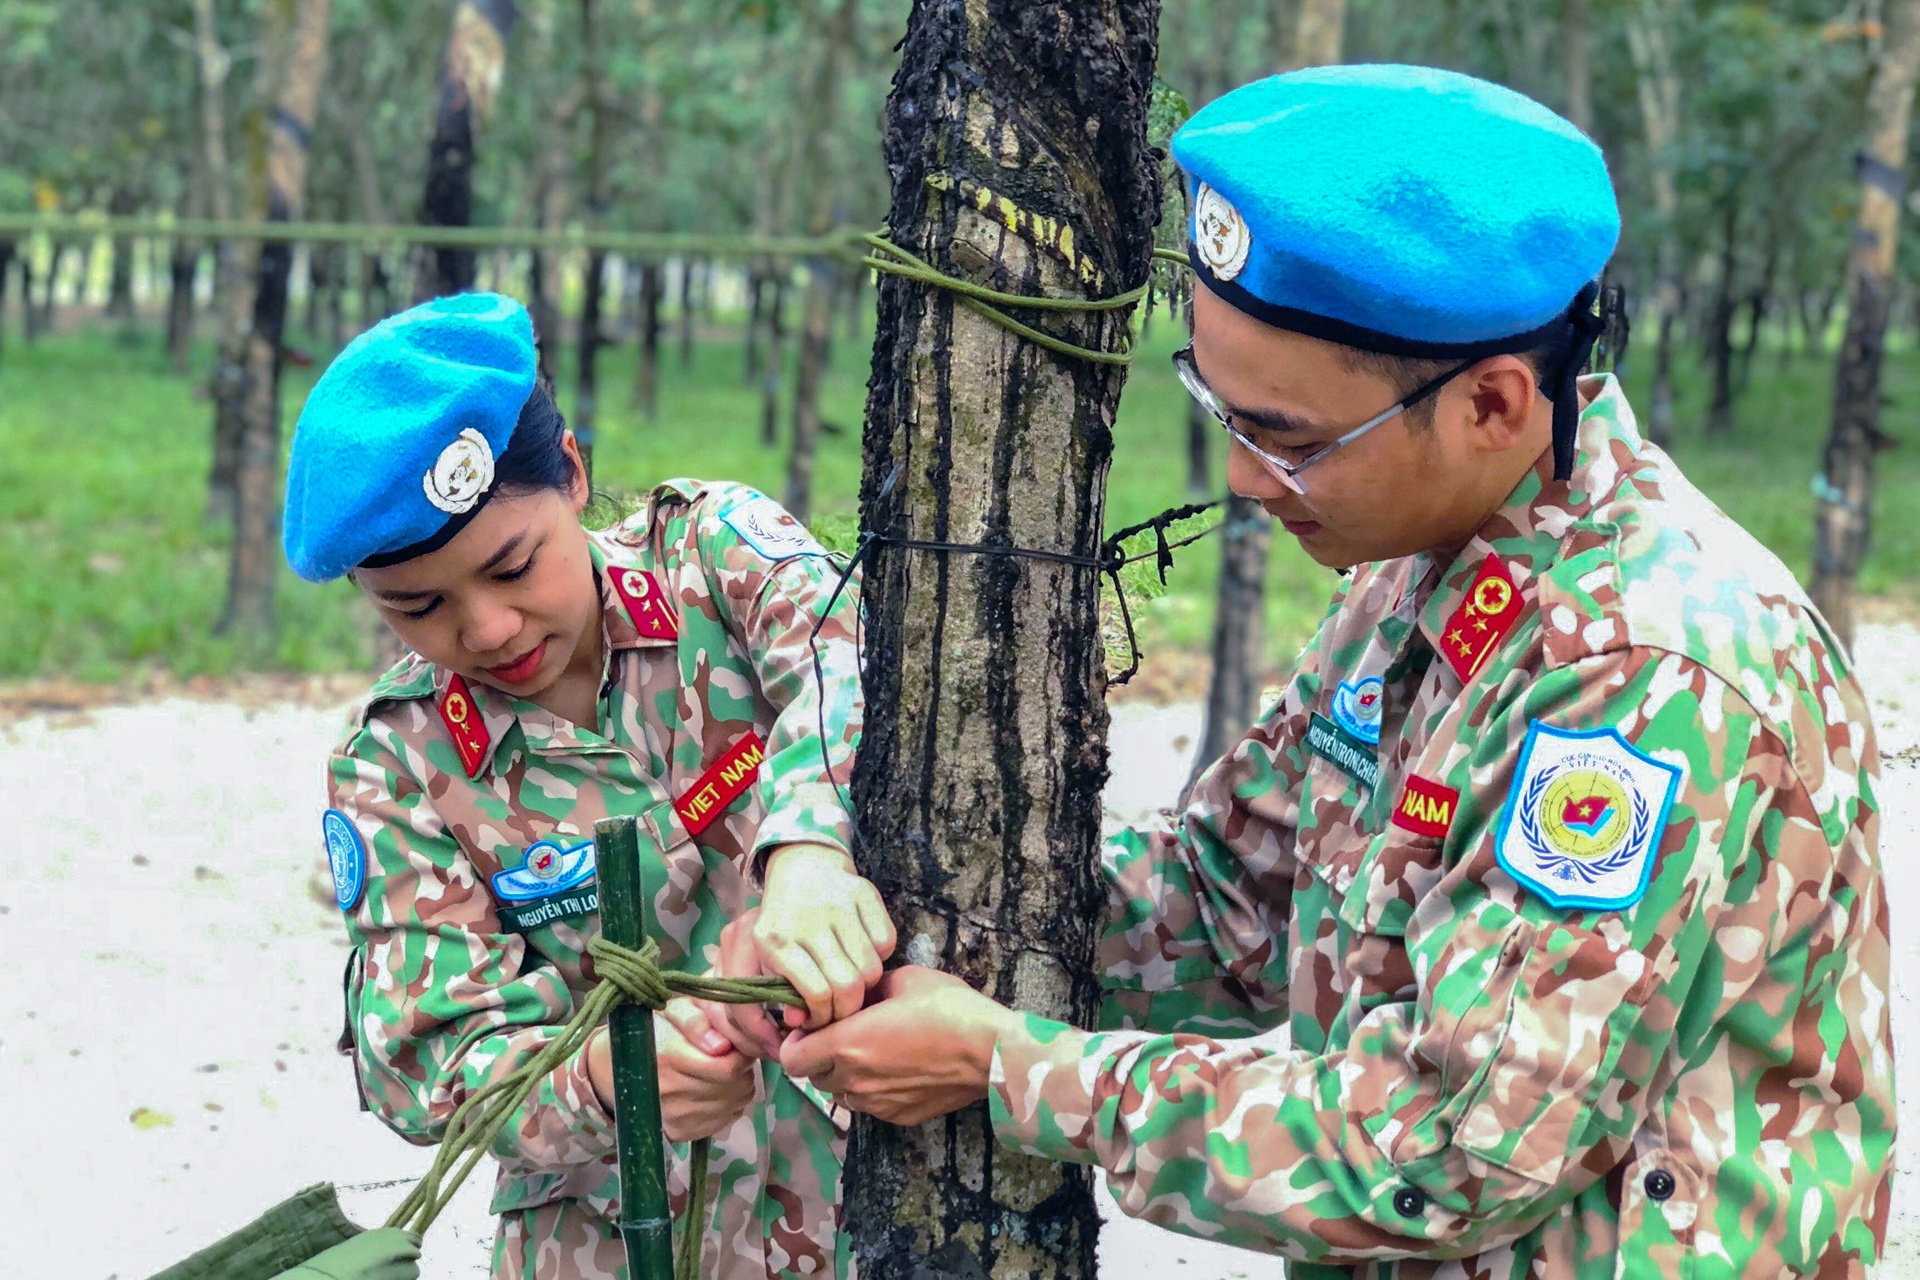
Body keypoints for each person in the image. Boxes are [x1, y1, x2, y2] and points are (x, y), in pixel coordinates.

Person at [744, 65, 1896, 1278]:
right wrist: (882, 912)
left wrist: (1010, 1066)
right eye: (1221, 408)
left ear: (1495, 404)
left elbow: (1458, 1145)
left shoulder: (1645, 673)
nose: (1243, 479)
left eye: (1288, 439)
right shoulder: (1421, 569)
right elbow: (1221, 899)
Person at [284, 292, 891, 1280]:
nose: (486, 629)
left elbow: (848, 658)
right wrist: (603, 1080)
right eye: (419, 607)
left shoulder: (715, 560)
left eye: (513, 566)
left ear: (571, 472)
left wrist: (810, 853)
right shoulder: (397, 763)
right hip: (603, 1240)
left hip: (862, 1199)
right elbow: (423, 1056)